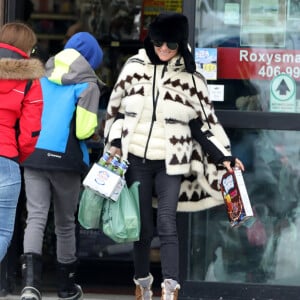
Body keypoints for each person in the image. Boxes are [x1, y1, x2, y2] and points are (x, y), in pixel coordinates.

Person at [103, 12, 245, 300]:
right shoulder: (133, 68)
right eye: (158, 43)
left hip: (172, 161)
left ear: (181, 43)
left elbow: (202, 126)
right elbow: (115, 111)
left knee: (167, 223)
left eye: (171, 44)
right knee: (142, 227)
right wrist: (116, 140)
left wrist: (223, 158)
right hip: (136, 160)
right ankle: (142, 283)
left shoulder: (191, 77)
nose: (164, 49)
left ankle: (170, 288)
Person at [21, 32, 103, 300]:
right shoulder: (88, 85)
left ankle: (30, 287)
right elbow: (83, 130)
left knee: (36, 217)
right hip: (66, 160)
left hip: (34, 154)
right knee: (65, 224)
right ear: (91, 60)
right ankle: (66, 288)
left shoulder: (41, 76)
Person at [0, 22, 44, 263]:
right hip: (6, 159)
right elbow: (31, 132)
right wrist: (19, 158)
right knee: (2, 231)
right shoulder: (30, 80)